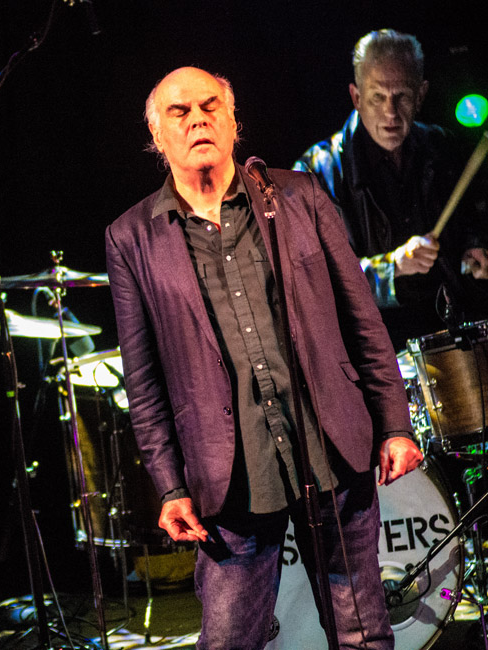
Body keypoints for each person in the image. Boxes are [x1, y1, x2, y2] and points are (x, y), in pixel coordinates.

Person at [105, 67, 424, 649]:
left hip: (331, 449)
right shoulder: (131, 238)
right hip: (229, 477)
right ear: (156, 136)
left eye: (210, 106)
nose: (198, 118)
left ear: (233, 121)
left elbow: (362, 318)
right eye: (180, 112)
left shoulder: (297, 195)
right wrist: (170, 486)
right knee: (229, 641)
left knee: (363, 635)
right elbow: (144, 380)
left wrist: (395, 423)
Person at [294, 29, 488, 350]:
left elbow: (472, 227)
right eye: (377, 97)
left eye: (402, 97)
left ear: (421, 94)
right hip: (377, 355)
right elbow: (314, 282)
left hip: (452, 339)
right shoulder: (315, 173)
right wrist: (393, 265)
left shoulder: (440, 147)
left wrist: (475, 252)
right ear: (356, 97)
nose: (391, 114)